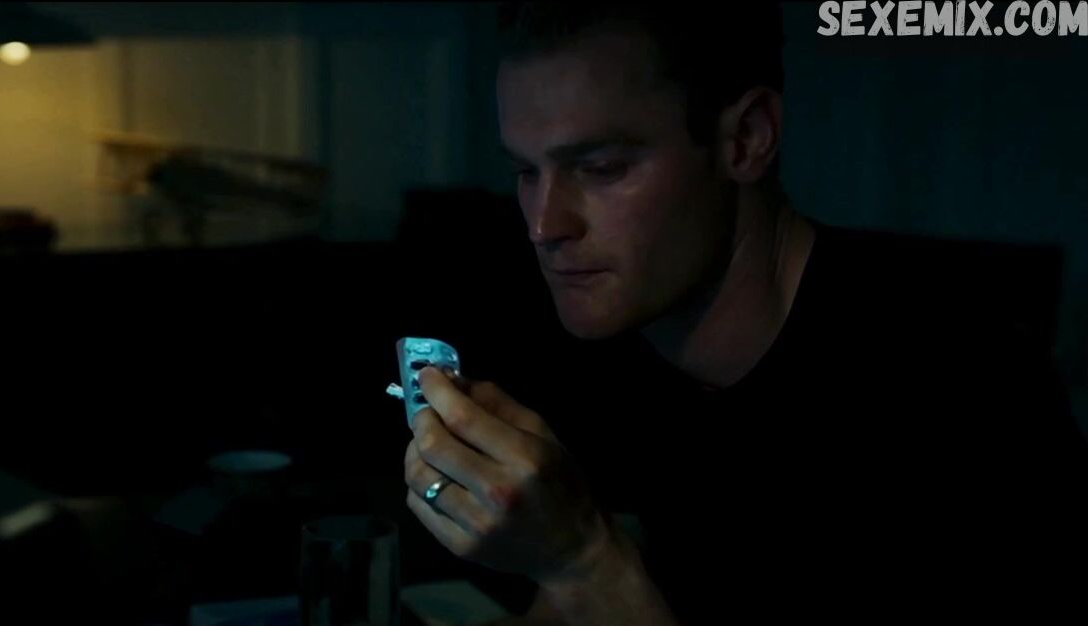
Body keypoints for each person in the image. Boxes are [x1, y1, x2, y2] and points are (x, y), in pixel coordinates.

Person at [402, 3, 1088, 625]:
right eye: (526, 172)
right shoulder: (604, 337)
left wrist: (581, 560)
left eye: (601, 167)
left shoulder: (964, 389)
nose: (544, 226)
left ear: (747, 138)